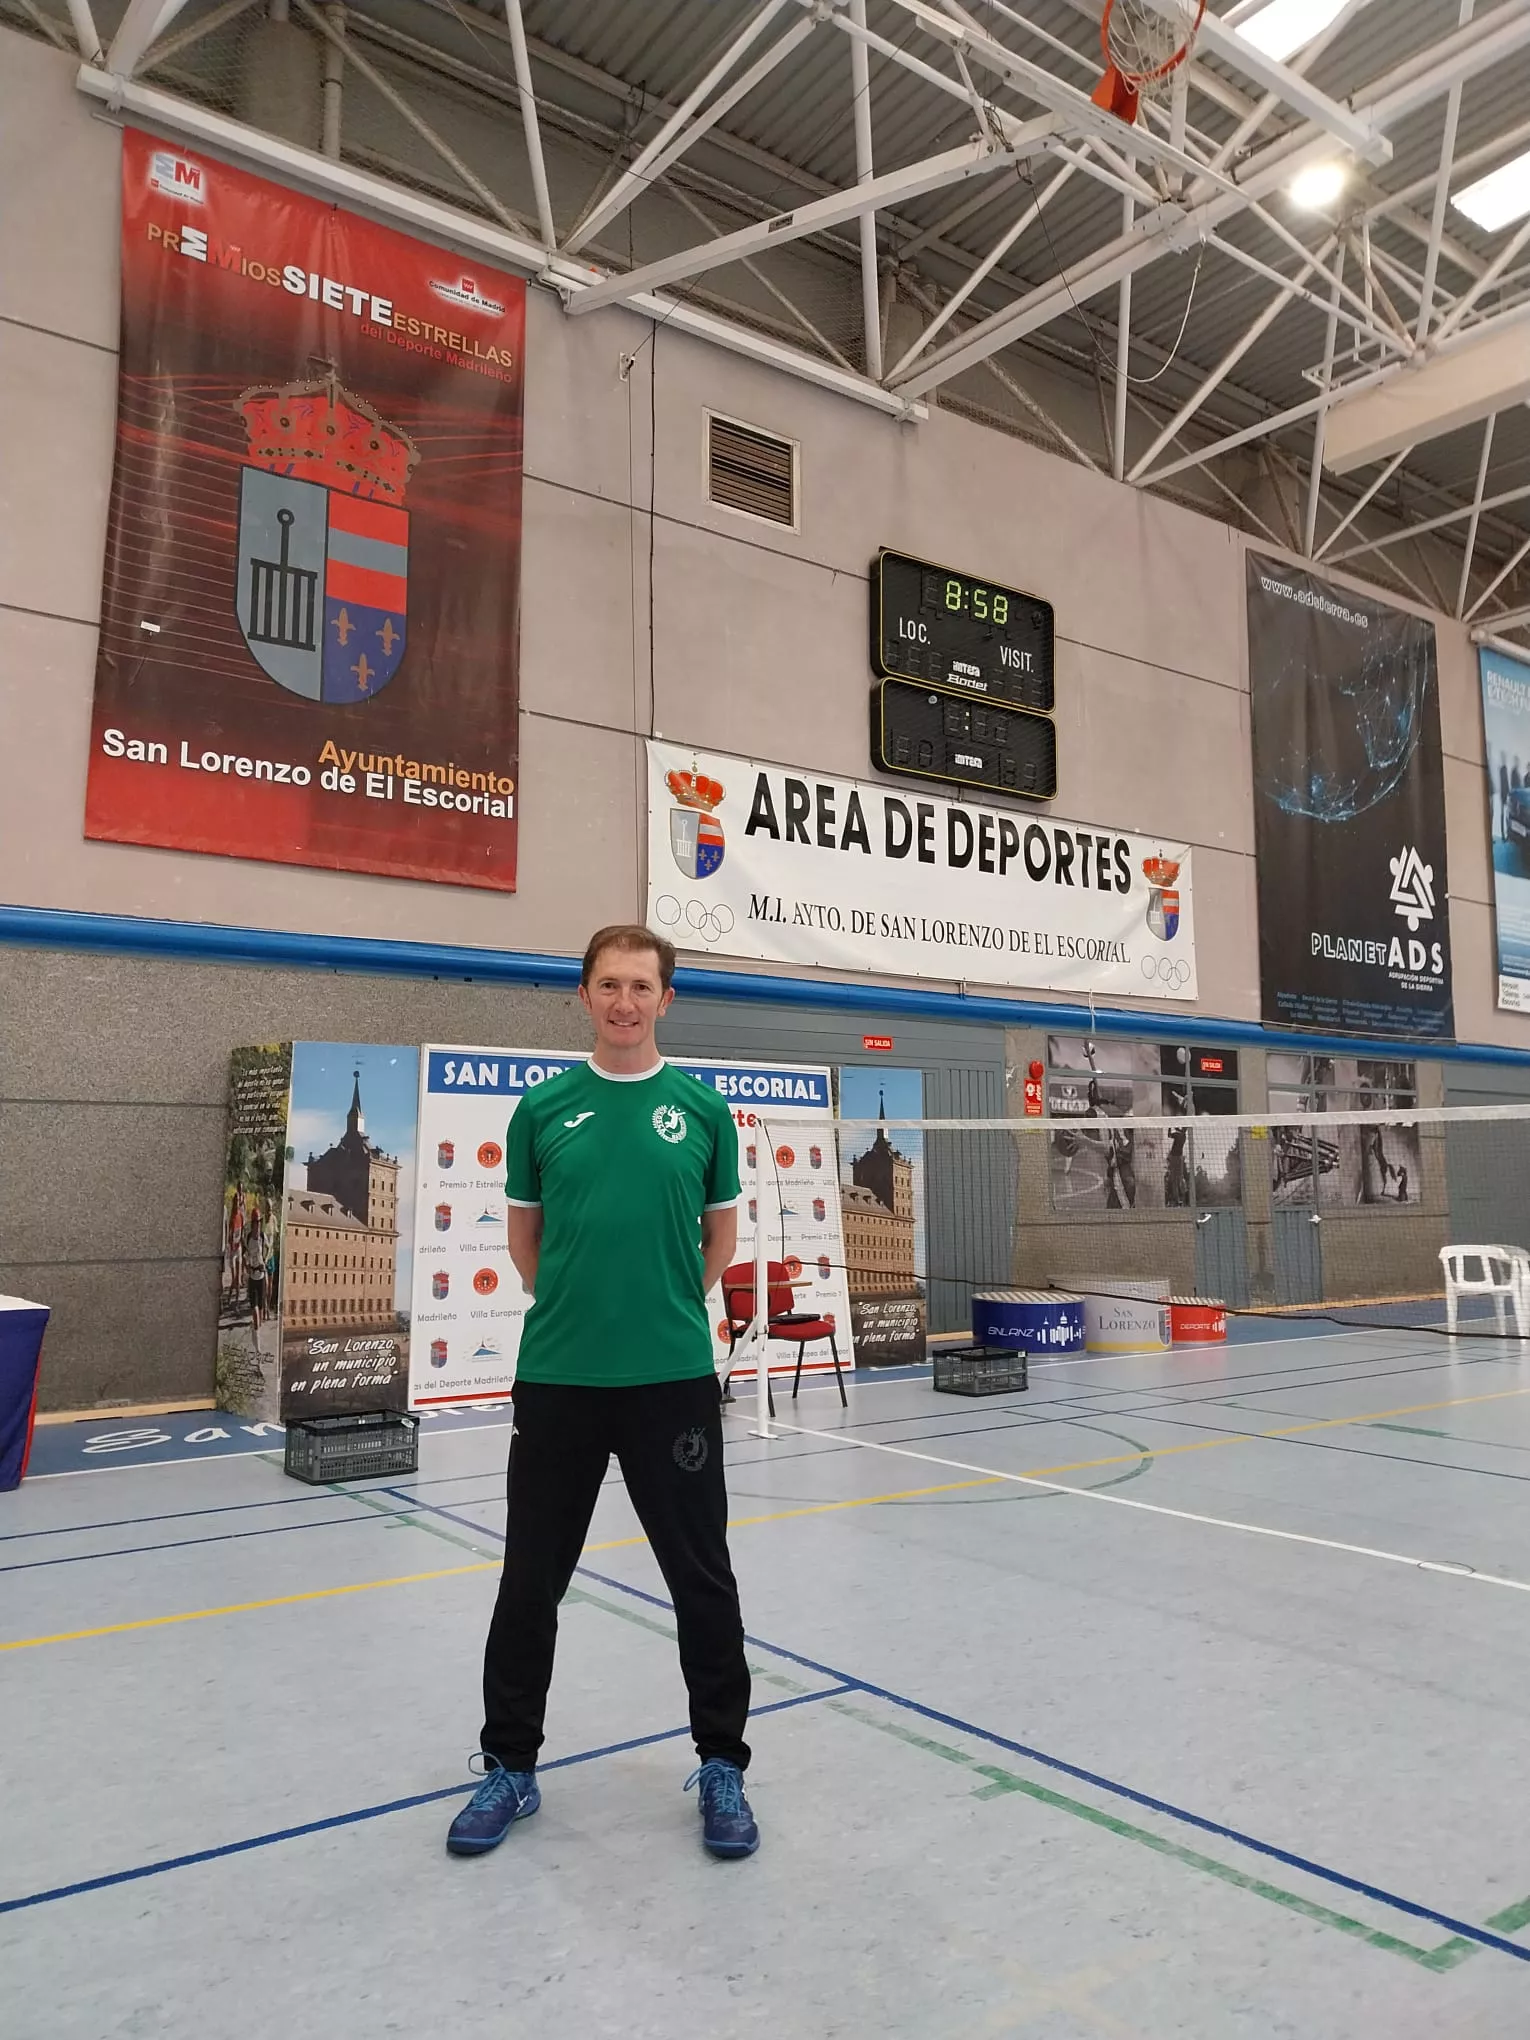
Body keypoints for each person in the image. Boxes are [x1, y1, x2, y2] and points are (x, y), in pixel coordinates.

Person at [447, 924, 757, 1863]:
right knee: (529, 1580)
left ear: (668, 999)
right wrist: (584, 1312)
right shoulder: (543, 1112)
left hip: (670, 1383)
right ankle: (509, 1765)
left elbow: (718, 1247)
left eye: (642, 986)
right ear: (583, 995)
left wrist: (656, 1311)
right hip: (560, 1381)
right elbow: (527, 1248)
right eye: (608, 985)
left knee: (701, 1581)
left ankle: (723, 1764)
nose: (625, 1001)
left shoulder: (703, 1113)